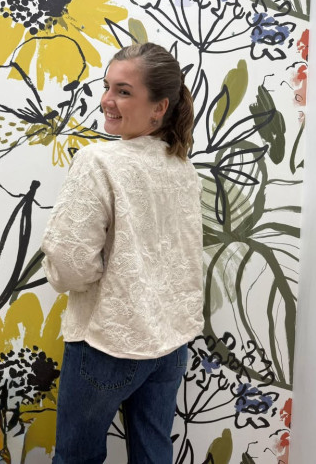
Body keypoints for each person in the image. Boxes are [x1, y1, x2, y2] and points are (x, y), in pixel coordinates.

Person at [41, 42, 204, 464]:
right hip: (170, 342)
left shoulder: (99, 161)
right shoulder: (182, 167)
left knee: (76, 459)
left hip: (108, 342)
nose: (106, 100)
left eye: (124, 91)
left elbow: (69, 262)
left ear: (159, 108)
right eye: (107, 86)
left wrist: (82, 278)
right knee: (153, 453)